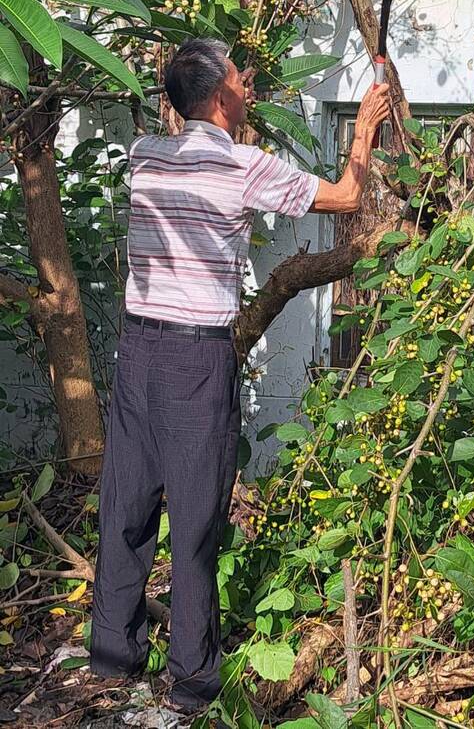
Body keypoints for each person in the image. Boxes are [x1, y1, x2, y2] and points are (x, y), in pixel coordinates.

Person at [89, 36, 390, 713]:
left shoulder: (144, 159)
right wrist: (364, 129)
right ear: (221, 96)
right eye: (239, 82)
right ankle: (193, 681)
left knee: (128, 507)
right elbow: (344, 197)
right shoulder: (242, 168)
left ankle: (113, 655)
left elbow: (193, 115)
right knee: (194, 521)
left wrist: (217, 94)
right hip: (197, 359)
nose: (249, 87)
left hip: (138, 352)